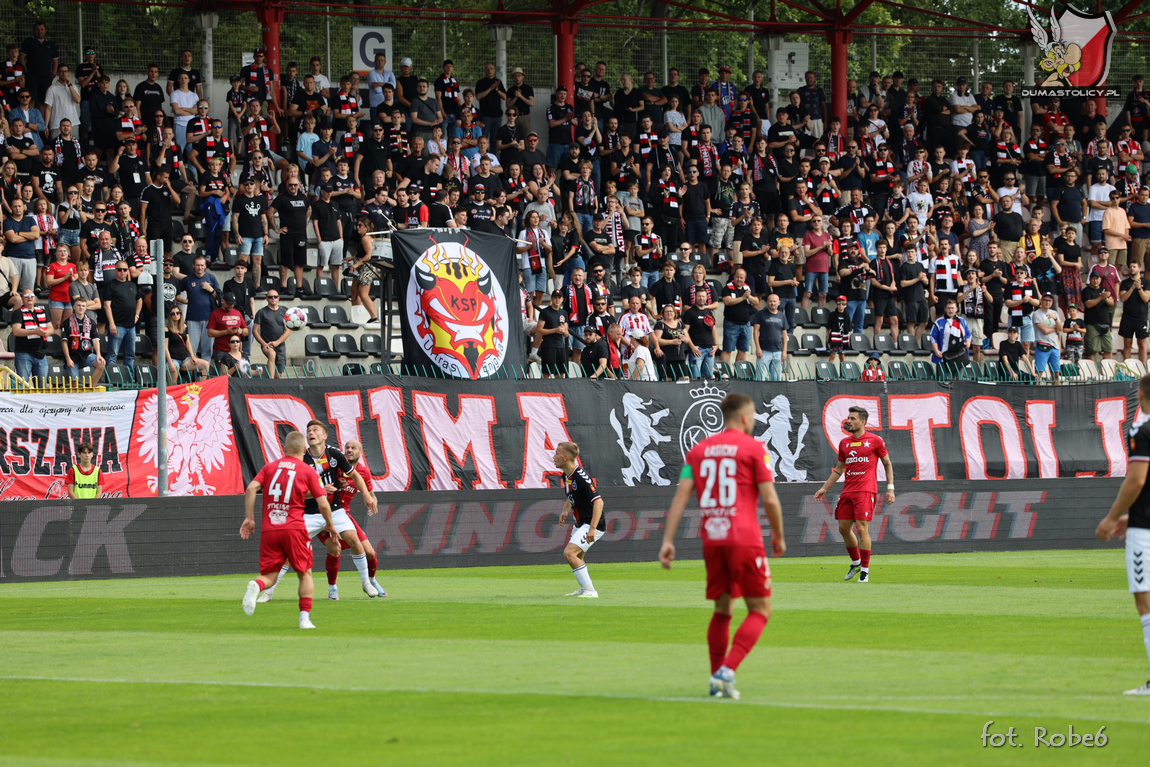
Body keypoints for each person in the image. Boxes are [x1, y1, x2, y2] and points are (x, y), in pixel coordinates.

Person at [660, 392, 786, 699]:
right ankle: (727, 670)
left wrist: (667, 540)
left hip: (712, 539)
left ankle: (716, 684)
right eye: (754, 414)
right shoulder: (755, 449)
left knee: (723, 608)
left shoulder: (699, 450)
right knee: (760, 609)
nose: (755, 419)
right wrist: (779, 535)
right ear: (744, 417)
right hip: (744, 538)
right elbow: (769, 497)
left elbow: (681, 496)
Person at [261, 421, 379, 602]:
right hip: (308, 513)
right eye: (308, 431)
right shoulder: (300, 459)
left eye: (315, 430)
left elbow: (355, 474)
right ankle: (268, 592)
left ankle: (366, 583)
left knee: (354, 539)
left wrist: (367, 495)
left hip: (335, 510)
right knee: (288, 552)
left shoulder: (334, 454)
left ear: (324, 436)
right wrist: (321, 490)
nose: (311, 433)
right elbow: (294, 491)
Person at [240, 430, 334, 629]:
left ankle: (257, 585)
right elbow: (324, 504)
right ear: (303, 450)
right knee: (305, 573)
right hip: (294, 529)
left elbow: (250, 489)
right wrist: (330, 524)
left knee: (271, 576)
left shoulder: (270, 467)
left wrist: (249, 518)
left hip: (270, 530)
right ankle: (304, 619)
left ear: (285, 449)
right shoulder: (308, 471)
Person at [1095, 373, 1150, 695]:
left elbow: (1137, 480)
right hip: (1142, 520)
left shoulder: (1143, 432)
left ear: (1141, 395)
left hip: (1146, 532)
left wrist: (1112, 517)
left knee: (1145, 601)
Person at [813, 405, 895, 583]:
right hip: (848, 490)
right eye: (848, 418)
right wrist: (824, 488)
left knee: (861, 529)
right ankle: (856, 562)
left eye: (852, 419)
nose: (848, 421)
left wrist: (890, 488)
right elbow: (839, 469)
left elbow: (887, 463)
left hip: (866, 490)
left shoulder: (875, 440)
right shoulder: (845, 443)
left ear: (863, 422)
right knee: (843, 529)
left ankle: (865, 570)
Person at [307, 439, 387, 600]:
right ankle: (332, 588)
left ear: (360, 452)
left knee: (370, 552)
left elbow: (371, 494)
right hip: (322, 512)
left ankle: (371, 581)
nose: (349, 450)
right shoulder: (334, 464)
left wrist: (372, 503)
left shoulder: (362, 472)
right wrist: (335, 483)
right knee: (334, 549)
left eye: (353, 448)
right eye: (347, 447)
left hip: (343, 514)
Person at [553, 442, 604, 598]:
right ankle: (584, 588)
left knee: (569, 553)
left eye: (557, 453)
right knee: (577, 557)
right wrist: (565, 510)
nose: (554, 457)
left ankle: (590, 590)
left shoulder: (580, 477)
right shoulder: (567, 475)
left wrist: (593, 528)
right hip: (581, 523)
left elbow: (598, 502)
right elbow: (572, 494)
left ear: (566, 457)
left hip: (591, 524)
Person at [102, 260, 140, 375]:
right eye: (120, 270)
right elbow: (106, 305)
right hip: (117, 325)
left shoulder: (132, 285)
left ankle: (129, 377)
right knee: (113, 354)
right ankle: (112, 377)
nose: (122, 272)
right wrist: (112, 323)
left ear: (128, 271)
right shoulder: (110, 285)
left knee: (130, 355)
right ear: (115, 271)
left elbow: (139, 300)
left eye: (124, 269)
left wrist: (137, 315)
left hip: (131, 326)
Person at [11, 287, 53, 381]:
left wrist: (44, 332)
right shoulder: (18, 313)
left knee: (41, 388)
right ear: (22, 298)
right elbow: (16, 331)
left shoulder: (42, 311)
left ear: (35, 298)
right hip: (24, 353)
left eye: (32, 296)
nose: (29, 297)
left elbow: (51, 329)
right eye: (26, 296)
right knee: (23, 385)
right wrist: (35, 331)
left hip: (41, 353)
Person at [61, 296, 104, 384]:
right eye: (79, 305)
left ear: (86, 308)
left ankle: (90, 389)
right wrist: (68, 358)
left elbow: (95, 339)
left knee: (101, 364)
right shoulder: (67, 322)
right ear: (74, 307)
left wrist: (99, 354)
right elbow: (64, 342)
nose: (81, 308)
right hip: (73, 356)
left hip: (87, 354)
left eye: (83, 306)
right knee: (75, 385)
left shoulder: (91, 322)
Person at [928, 298, 971, 375]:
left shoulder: (962, 321)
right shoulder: (939, 322)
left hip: (960, 356)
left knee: (958, 382)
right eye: (948, 308)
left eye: (952, 308)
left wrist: (968, 343)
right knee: (944, 382)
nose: (950, 310)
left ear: (956, 309)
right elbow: (933, 337)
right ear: (945, 309)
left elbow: (968, 334)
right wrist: (936, 351)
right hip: (944, 356)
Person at [752, 292, 789, 381]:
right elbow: (755, 332)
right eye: (770, 301)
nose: (772, 303)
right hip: (764, 351)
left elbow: (784, 334)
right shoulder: (760, 314)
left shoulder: (782, 316)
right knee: (760, 379)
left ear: (779, 302)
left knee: (777, 379)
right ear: (767, 302)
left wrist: (784, 351)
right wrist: (758, 348)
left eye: (774, 301)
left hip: (778, 352)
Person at [1120, 262, 1150, 366]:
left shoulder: (1146, 282)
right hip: (1127, 317)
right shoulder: (1125, 283)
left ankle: (1143, 368)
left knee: (1142, 344)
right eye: (1130, 267)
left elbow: (1146, 298)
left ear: (1139, 268)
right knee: (1127, 344)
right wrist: (1132, 288)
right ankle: (1127, 368)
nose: (1132, 269)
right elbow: (1122, 298)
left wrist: (1139, 287)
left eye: (1134, 267)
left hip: (1141, 317)